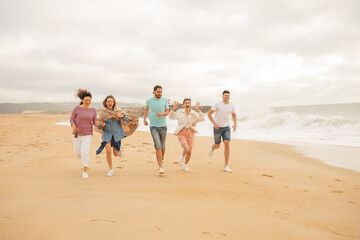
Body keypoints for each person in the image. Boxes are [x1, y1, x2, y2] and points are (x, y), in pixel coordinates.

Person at [95, 95, 138, 177]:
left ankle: (119, 150)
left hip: (116, 135)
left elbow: (128, 120)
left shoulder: (118, 111)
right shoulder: (104, 113)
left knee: (115, 154)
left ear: (114, 102)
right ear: (106, 103)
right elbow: (99, 126)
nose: (110, 103)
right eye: (108, 101)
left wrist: (122, 116)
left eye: (111, 101)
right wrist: (102, 125)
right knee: (108, 151)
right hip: (107, 134)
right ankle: (110, 169)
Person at [70, 89, 99, 179]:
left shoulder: (93, 110)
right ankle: (79, 155)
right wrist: (73, 126)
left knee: (85, 152)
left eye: (89, 100)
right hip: (77, 134)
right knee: (77, 152)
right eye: (86, 100)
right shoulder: (77, 109)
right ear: (82, 100)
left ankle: (85, 171)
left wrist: (97, 123)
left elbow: (95, 121)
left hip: (88, 134)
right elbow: (71, 119)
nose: (88, 102)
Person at [169, 99, 205, 171]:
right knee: (186, 149)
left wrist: (198, 110)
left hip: (190, 133)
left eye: (188, 103)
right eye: (186, 103)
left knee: (190, 151)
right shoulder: (179, 112)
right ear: (183, 104)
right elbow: (171, 117)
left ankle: (185, 165)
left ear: (190, 104)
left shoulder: (193, 113)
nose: (187, 104)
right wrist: (173, 109)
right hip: (181, 132)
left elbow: (202, 118)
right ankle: (182, 157)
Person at [207, 90, 237, 172]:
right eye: (225, 95)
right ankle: (212, 148)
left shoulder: (231, 105)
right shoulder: (217, 104)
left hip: (226, 127)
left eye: (228, 95)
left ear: (229, 96)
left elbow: (233, 115)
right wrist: (214, 124)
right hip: (217, 128)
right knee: (217, 145)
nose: (227, 97)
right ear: (222, 96)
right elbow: (209, 114)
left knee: (227, 144)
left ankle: (226, 166)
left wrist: (235, 123)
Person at [143, 85, 169, 174]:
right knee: (157, 146)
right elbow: (146, 110)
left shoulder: (164, 100)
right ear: (154, 92)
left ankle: (162, 158)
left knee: (162, 146)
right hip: (153, 126)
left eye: (161, 92)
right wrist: (144, 119)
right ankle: (161, 167)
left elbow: (167, 112)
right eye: (158, 92)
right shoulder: (149, 101)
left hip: (163, 126)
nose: (160, 93)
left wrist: (162, 113)